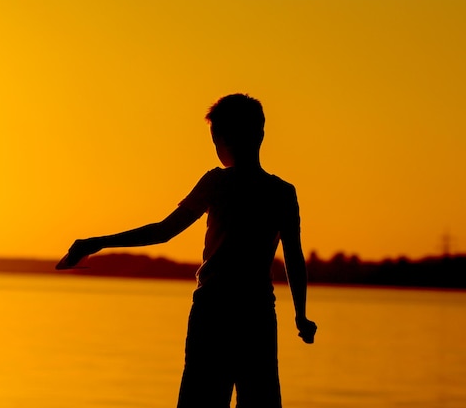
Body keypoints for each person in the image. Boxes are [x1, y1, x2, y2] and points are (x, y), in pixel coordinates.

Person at [57, 93, 317, 408]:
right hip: (256, 314)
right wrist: (300, 315)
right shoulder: (281, 192)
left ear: (222, 139)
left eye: (215, 140)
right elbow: (294, 257)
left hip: (215, 311)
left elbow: (164, 230)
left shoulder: (217, 183)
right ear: (260, 133)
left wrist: (98, 242)